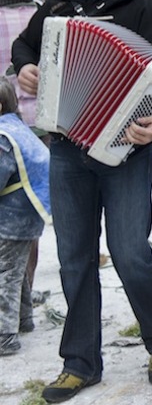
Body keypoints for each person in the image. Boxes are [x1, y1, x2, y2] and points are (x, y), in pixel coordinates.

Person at [11, 0, 152, 402]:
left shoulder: (141, 5)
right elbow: (26, 44)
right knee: (73, 260)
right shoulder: (58, 6)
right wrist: (24, 65)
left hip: (124, 150)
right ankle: (81, 362)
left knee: (130, 253)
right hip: (67, 146)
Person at [0, 79, 50, 356]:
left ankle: (5, 336)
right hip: (30, 214)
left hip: (11, 219)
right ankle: (24, 319)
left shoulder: (2, 139)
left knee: (4, 275)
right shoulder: (19, 127)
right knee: (15, 271)